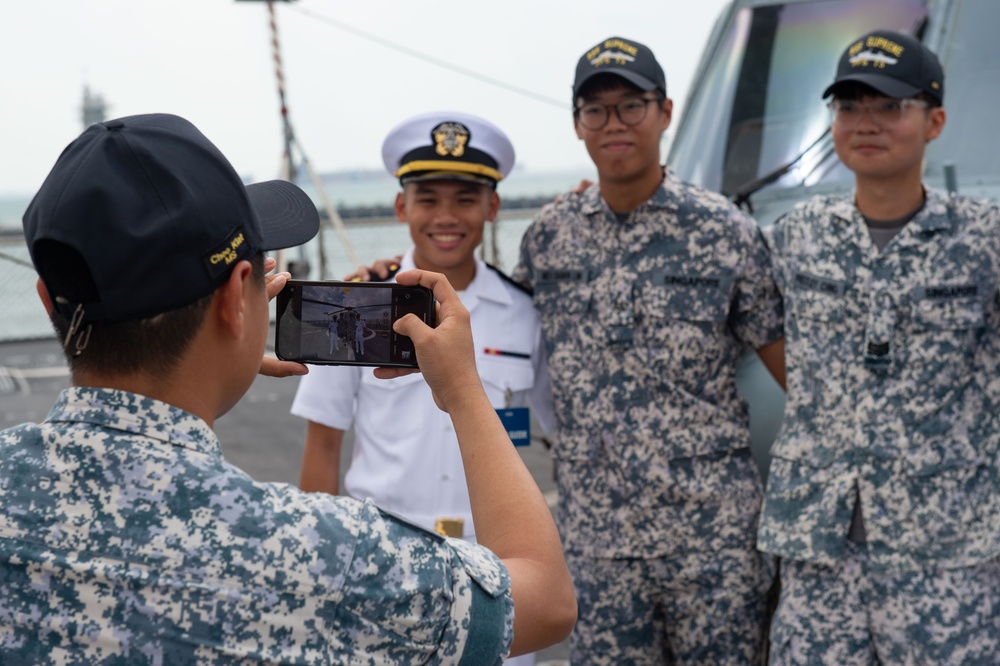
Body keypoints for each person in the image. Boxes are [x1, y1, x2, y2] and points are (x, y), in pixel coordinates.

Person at [0, 112, 575, 663]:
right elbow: (544, 600)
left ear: (49, 301)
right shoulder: (323, 552)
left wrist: (202, 368)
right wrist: (464, 392)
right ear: (236, 298)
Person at [757, 30, 1000, 664]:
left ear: (935, 121)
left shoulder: (985, 241)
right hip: (818, 551)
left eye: (890, 106)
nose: (866, 123)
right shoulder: (794, 238)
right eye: (849, 106)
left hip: (946, 554)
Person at [291, 111, 556, 666]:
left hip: (493, 574)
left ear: (493, 207)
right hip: (381, 574)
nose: (446, 217)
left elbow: (550, 432)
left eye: (465, 199)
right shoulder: (352, 306)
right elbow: (323, 449)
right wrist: (320, 579)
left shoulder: (525, 313)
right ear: (400, 207)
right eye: (428, 198)